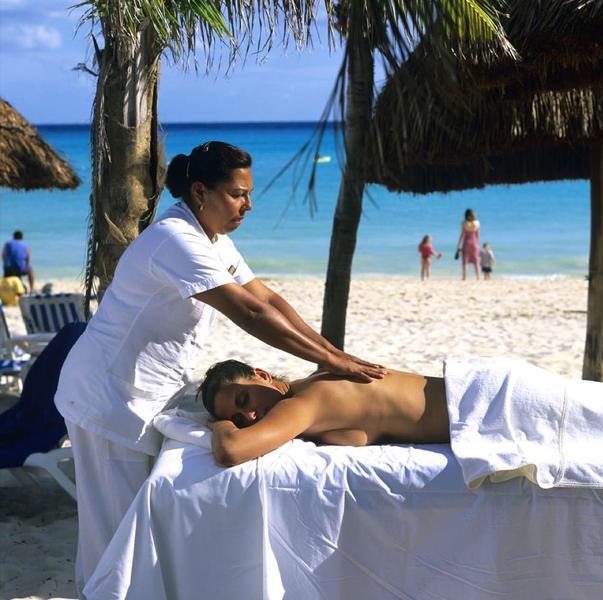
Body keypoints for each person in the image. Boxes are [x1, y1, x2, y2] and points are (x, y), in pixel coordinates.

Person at [54, 141, 386, 592]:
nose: (247, 205)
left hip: (150, 395)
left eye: (249, 194)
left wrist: (333, 353)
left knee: (139, 529)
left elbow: (266, 299)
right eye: (236, 194)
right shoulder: (176, 239)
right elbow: (247, 314)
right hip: (111, 398)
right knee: (113, 535)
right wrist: (329, 361)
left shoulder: (215, 241)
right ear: (199, 192)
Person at [201, 359, 450, 466]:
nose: (250, 416)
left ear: (263, 376)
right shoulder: (314, 381)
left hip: (474, 409)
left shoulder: (306, 402)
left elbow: (231, 450)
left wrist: (221, 424)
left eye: (244, 400)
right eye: (238, 419)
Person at [457, 209, 480, 280]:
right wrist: (477, 244)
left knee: (465, 261)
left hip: (466, 243)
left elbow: (462, 234)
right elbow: (478, 235)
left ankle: (464, 277)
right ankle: (478, 277)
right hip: (474, 243)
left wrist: (458, 244)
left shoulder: (464, 223)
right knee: (476, 261)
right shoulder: (477, 223)